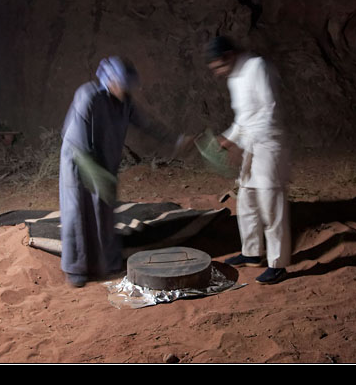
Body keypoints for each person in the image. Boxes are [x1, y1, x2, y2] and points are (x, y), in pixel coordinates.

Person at [59, 56, 186, 287]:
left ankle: (105, 261)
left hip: (105, 165)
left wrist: (176, 140)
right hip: (79, 163)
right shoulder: (88, 96)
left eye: (127, 87)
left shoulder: (124, 102)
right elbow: (76, 141)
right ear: (110, 80)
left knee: (104, 212)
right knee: (79, 211)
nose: (124, 90)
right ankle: (76, 268)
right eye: (121, 84)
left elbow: (147, 124)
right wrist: (96, 174)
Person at [205, 36, 291, 285]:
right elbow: (243, 118)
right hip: (250, 144)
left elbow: (268, 110)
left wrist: (241, 145)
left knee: (271, 206)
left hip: (268, 143)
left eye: (219, 66)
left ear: (229, 55)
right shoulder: (233, 77)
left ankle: (278, 264)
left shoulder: (257, 66)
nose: (218, 73)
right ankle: (252, 253)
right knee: (247, 201)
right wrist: (227, 139)